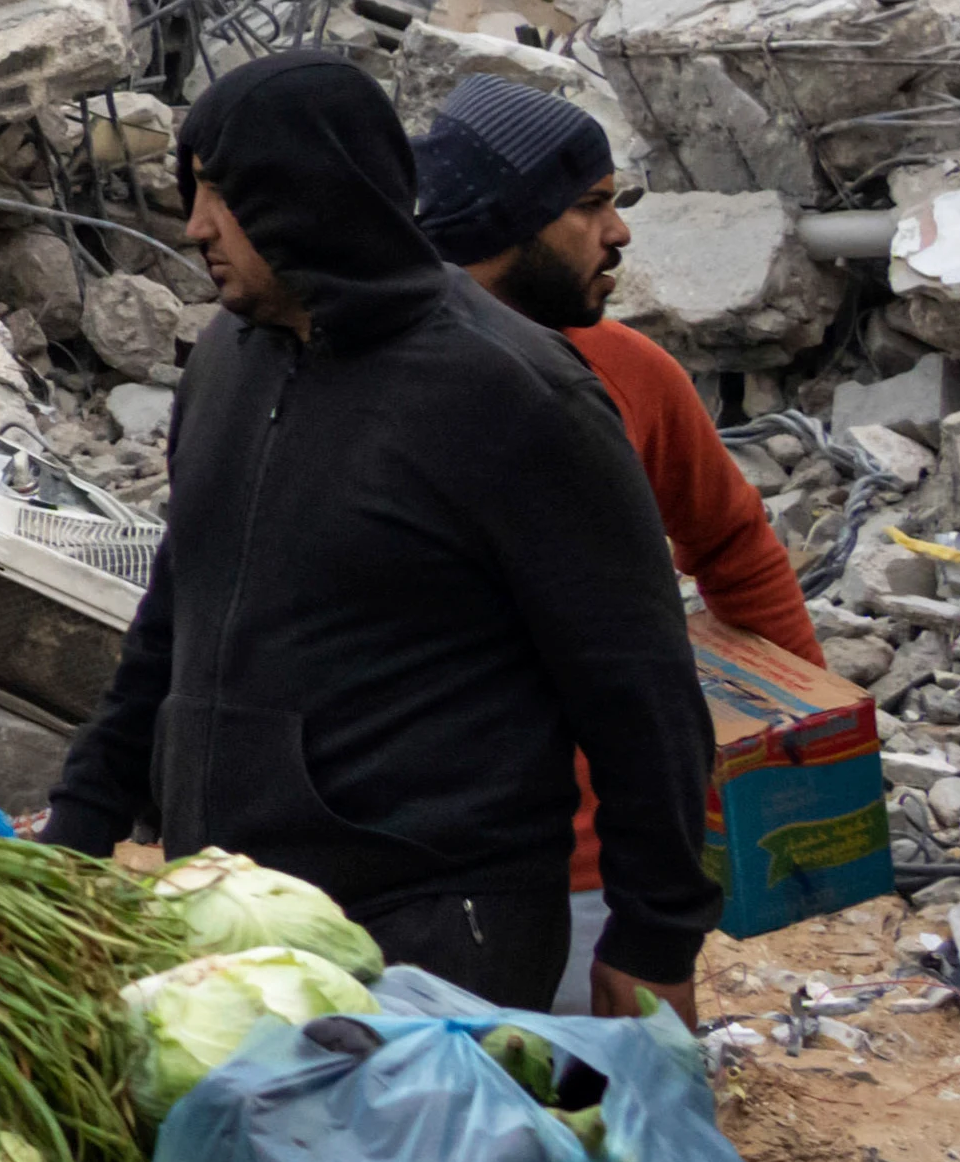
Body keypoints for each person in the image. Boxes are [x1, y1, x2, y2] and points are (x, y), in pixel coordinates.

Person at [47, 52, 720, 1011]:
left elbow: (638, 684)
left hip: (439, 935)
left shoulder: (512, 394)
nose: (195, 226)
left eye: (221, 196)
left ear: (305, 196)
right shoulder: (227, 366)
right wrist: (79, 822)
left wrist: (656, 934)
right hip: (240, 919)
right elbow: (174, 617)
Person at [419, 82, 810, 1002]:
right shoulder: (382, 388)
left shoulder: (633, 375)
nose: (620, 233)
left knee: (599, 1122)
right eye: (591, 206)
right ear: (505, 221)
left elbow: (735, 544)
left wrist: (792, 739)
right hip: (419, 873)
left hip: (597, 880)